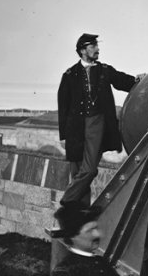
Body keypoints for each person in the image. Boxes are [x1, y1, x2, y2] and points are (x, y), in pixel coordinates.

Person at [57, 33, 143, 213]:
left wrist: (139, 80)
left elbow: (124, 82)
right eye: (93, 46)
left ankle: (68, 200)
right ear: (82, 50)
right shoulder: (69, 75)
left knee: (89, 170)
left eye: (97, 45)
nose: (97, 49)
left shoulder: (105, 70)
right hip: (75, 129)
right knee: (78, 172)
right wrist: (64, 136)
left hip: (97, 124)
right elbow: (63, 106)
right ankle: (79, 214)